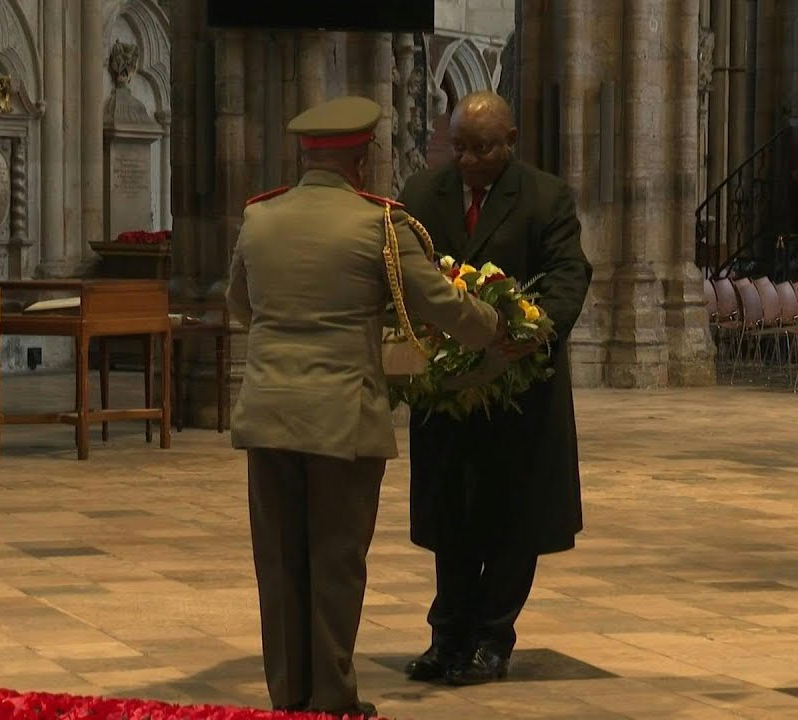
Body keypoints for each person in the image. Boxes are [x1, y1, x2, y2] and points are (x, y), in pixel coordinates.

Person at [225, 95, 504, 719]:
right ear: (363, 156)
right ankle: (333, 699)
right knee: (335, 563)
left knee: (279, 565)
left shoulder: (260, 218)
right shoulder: (379, 224)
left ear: (307, 155)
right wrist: (496, 325)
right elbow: (437, 303)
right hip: (341, 420)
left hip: (267, 414)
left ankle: (288, 698)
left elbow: (239, 303)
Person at [396, 90, 593, 685]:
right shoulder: (419, 196)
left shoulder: (544, 196)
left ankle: (491, 640)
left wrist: (534, 329)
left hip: (519, 388)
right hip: (447, 391)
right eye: (458, 147)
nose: (468, 161)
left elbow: (568, 275)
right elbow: (402, 273)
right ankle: (446, 635)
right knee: (449, 517)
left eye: (482, 148)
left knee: (513, 519)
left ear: (509, 141)